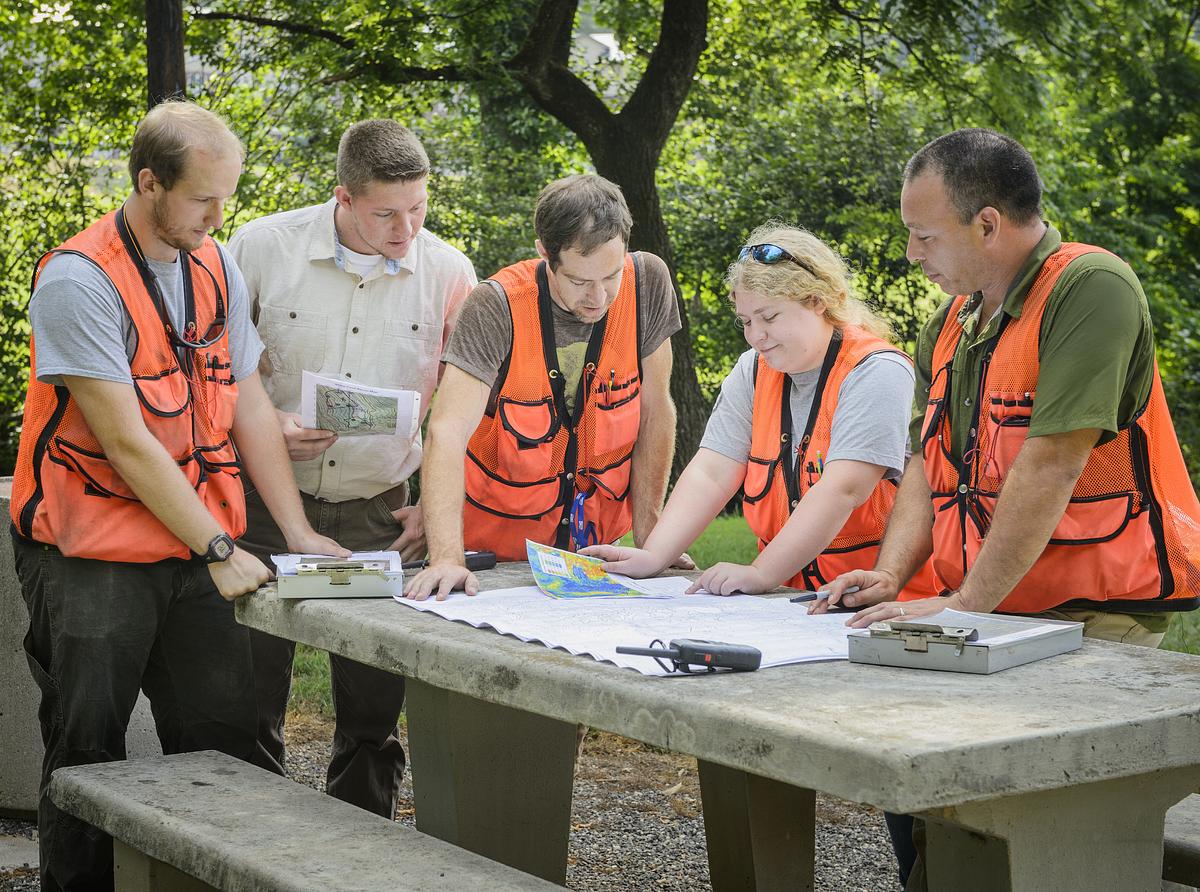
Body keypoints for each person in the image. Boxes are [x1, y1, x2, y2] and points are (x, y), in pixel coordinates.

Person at [819, 128, 1200, 889]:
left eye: (922, 236)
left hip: (1091, 610)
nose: (911, 255)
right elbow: (928, 462)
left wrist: (964, 607)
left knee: (1005, 791)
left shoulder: (1091, 288)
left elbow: (1054, 460)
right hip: (996, 608)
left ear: (987, 224)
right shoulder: (955, 322)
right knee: (908, 750)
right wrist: (895, 576)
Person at [8, 100, 347, 890]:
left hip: (195, 546)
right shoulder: (78, 278)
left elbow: (249, 402)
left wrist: (293, 529)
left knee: (224, 745)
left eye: (226, 198)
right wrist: (221, 547)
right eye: (203, 199)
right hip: (90, 554)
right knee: (87, 750)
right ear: (148, 182)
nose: (218, 216)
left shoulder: (214, 262)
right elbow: (126, 441)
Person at [228, 119, 476, 818]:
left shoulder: (452, 273)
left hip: (380, 511)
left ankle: (360, 851)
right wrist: (264, 427)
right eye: (386, 214)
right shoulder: (258, 249)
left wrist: (436, 506)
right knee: (246, 699)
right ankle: (255, 842)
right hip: (260, 506)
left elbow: (468, 412)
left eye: (420, 210)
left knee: (373, 710)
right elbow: (208, 371)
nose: (407, 230)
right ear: (343, 196)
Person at [583, 223, 923, 596]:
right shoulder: (755, 369)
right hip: (788, 606)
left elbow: (843, 490)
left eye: (769, 317)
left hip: (876, 608)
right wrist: (653, 556)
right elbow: (712, 472)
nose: (755, 335)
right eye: (746, 321)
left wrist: (761, 573)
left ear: (818, 301)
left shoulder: (877, 371)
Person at [405, 174, 681, 600]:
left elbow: (655, 410)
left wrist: (651, 536)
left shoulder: (648, 283)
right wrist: (446, 558)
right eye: (578, 281)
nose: (599, 297)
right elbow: (446, 431)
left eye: (610, 276)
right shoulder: (494, 305)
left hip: (596, 558)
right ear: (544, 254)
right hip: (491, 561)